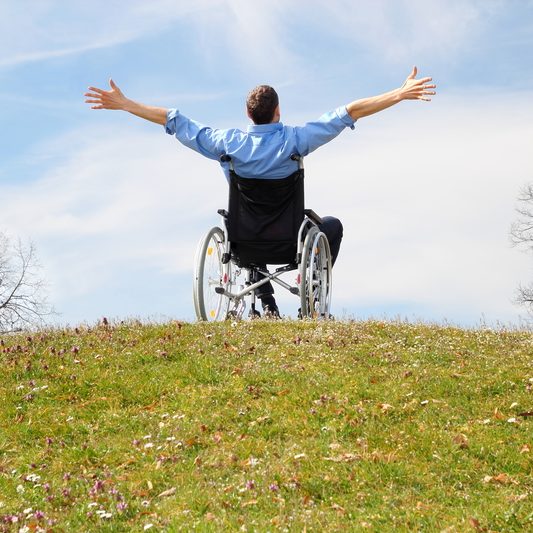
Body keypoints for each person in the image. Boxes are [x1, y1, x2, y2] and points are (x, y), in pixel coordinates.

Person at [85, 67, 436, 317]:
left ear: (247, 114)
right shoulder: (295, 140)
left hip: (244, 240)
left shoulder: (228, 143)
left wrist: (127, 104)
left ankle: (267, 306)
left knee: (250, 225)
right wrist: (399, 93)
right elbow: (349, 112)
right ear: (278, 111)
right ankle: (308, 294)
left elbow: (174, 120)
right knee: (332, 226)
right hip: (290, 242)